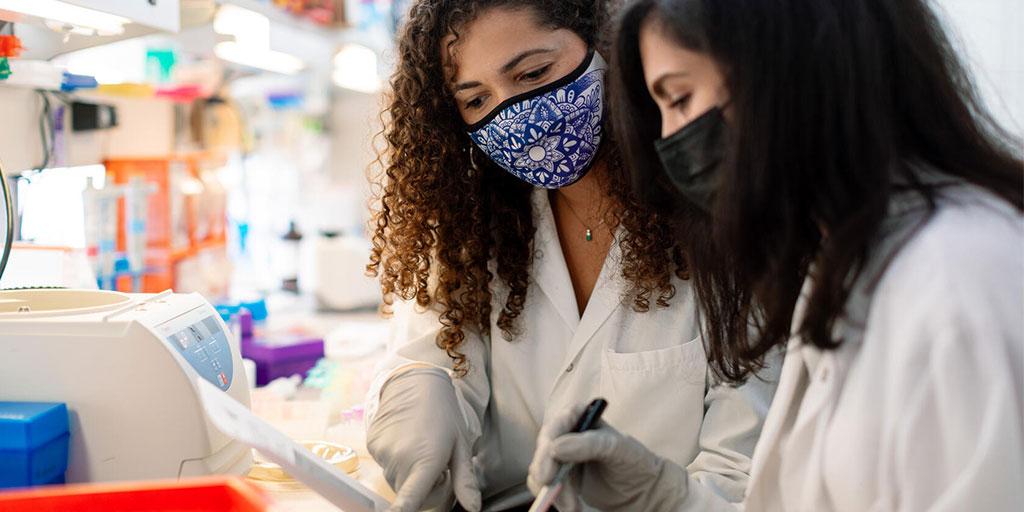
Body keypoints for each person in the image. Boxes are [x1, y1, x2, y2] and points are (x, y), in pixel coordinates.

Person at [528, 0, 1024, 510]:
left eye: (680, 98)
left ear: (791, 66)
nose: (671, 143)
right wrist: (665, 497)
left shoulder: (959, 280)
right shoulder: (842, 264)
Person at [363, 1, 777, 511]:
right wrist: (416, 389)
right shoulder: (470, 230)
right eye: (475, 100)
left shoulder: (723, 231)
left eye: (534, 72)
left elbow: (746, 479)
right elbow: (426, 353)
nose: (515, 114)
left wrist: (665, 497)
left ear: (604, 45)